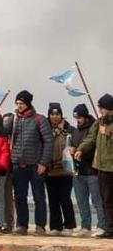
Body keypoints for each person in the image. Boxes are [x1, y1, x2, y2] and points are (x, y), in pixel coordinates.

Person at [0, 90, 52, 235]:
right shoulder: (13, 119)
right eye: (17, 103)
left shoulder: (40, 119)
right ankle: (22, 225)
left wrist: (43, 163)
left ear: (28, 103)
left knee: (39, 196)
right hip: (17, 165)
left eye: (21, 103)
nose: (19, 106)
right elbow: (2, 132)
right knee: (20, 196)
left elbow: (48, 141)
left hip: (35, 165)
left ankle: (40, 225)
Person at [75, 93, 113, 239]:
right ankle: (109, 228)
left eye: (102, 108)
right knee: (106, 199)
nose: (100, 111)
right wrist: (80, 149)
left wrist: (109, 133)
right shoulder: (99, 123)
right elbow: (90, 138)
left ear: (109, 108)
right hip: (102, 167)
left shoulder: (107, 126)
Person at [69, 103, 105, 236]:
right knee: (82, 201)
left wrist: (81, 150)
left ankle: (102, 225)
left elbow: (93, 145)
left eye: (79, 117)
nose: (77, 120)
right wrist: (72, 150)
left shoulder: (95, 128)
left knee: (97, 201)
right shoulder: (75, 131)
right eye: (76, 118)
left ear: (85, 116)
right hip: (78, 171)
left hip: (92, 171)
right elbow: (72, 144)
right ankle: (85, 226)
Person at [45, 103, 76, 235]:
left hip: (65, 170)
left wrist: (74, 149)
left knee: (65, 198)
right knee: (52, 199)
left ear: (61, 115)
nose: (55, 117)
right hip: (50, 170)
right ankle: (55, 226)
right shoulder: (45, 130)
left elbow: (76, 145)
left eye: (57, 114)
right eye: (52, 114)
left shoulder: (69, 130)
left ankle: (69, 225)